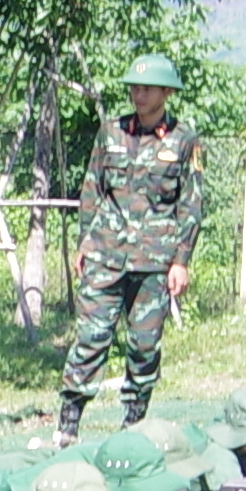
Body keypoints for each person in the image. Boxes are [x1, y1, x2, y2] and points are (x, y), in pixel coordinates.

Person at [55, 51, 208, 435]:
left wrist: (181, 260)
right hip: (106, 254)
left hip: (154, 261)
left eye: (147, 88)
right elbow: (92, 189)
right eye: (134, 87)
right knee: (91, 337)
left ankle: (133, 422)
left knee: (143, 346)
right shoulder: (111, 132)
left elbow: (191, 203)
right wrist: (84, 243)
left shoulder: (184, 140)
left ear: (165, 93)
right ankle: (69, 421)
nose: (138, 94)